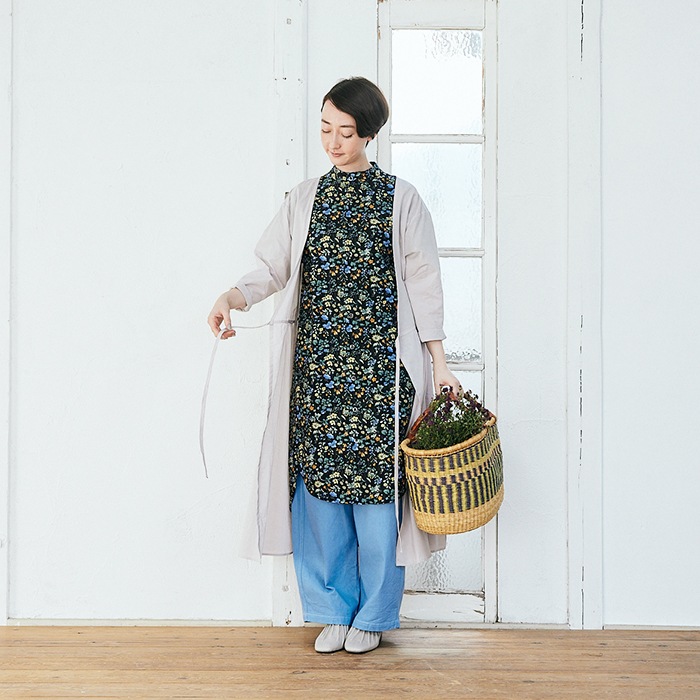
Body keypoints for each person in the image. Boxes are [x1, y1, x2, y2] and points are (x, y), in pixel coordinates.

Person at [207, 77, 459, 654]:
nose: (333, 142)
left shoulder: (401, 199)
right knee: (321, 494)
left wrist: (439, 363)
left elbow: (425, 285)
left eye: (346, 132)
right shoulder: (305, 198)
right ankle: (332, 610)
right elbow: (271, 268)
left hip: (380, 373)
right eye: (325, 128)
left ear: (369, 134)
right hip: (317, 372)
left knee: (376, 498)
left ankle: (373, 615)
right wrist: (231, 298)